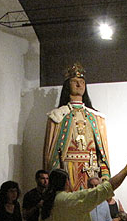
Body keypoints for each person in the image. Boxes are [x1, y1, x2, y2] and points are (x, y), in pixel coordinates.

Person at [43, 62, 111, 191]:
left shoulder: (96, 117)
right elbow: (53, 153)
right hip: (68, 169)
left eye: (82, 82)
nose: (79, 85)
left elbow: (101, 152)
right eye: (75, 81)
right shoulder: (58, 116)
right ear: (67, 86)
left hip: (91, 170)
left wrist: (105, 175)